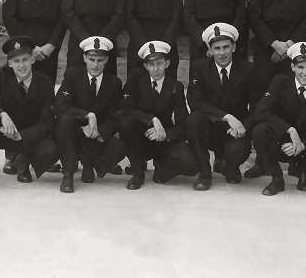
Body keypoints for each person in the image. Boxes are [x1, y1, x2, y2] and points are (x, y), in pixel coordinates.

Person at [1, 0, 65, 175]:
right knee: (17, 99)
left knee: (45, 100)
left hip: (47, 51)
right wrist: (28, 48)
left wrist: (50, 45)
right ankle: (12, 153)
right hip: (23, 51)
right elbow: (9, 16)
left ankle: (45, 153)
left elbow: (62, 19)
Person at [0, 36, 60, 190]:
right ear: (9, 63)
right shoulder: (1, 76)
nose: (21, 66)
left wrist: (21, 136)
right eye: (16, 61)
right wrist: (0, 114)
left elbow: (47, 123)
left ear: (32, 60)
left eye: (25, 60)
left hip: (29, 137)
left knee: (52, 149)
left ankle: (24, 161)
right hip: (4, 132)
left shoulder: (44, 83)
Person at [252, 42, 306, 196]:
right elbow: (260, 110)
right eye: (300, 67)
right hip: (283, 140)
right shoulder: (280, 82)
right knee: (260, 132)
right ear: (292, 67)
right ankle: (277, 179)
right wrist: (289, 130)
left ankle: (305, 173)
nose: (304, 73)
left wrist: (303, 145)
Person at [186, 23, 260, 190]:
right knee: (193, 120)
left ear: (234, 47)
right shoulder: (199, 68)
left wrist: (243, 126)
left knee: (236, 152)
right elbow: (195, 101)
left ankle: (230, 167)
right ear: (210, 50)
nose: (222, 53)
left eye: (226, 47)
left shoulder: (247, 70)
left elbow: (256, 106)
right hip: (210, 127)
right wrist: (226, 117)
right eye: (217, 48)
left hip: (234, 131)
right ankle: (205, 173)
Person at [118, 41, 196, 190]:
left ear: (167, 64)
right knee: (126, 124)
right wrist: (152, 120)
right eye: (151, 64)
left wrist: (166, 134)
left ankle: (161, 166)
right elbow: (125, 109)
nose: (156, 69)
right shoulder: (136, 81)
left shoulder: (176, 87)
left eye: (159, 63)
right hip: (142, 137)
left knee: (190, 164)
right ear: (146, 66)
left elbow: (183, 123)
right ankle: (137, 172)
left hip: (162, 138)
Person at [54, 36, 127, 193]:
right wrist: (87, 115)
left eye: (100, 60)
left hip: (97, 134)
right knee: (64, 121)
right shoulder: (73, 75)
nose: (95, 65)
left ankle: (91, 164)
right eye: (91, 59)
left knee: (120, 147)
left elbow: (117, 114)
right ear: (84, 58)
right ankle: (68, 173)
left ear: (107, 60)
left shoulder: (114, 83)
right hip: (76, 131)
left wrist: (102, 132)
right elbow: (60, 105)